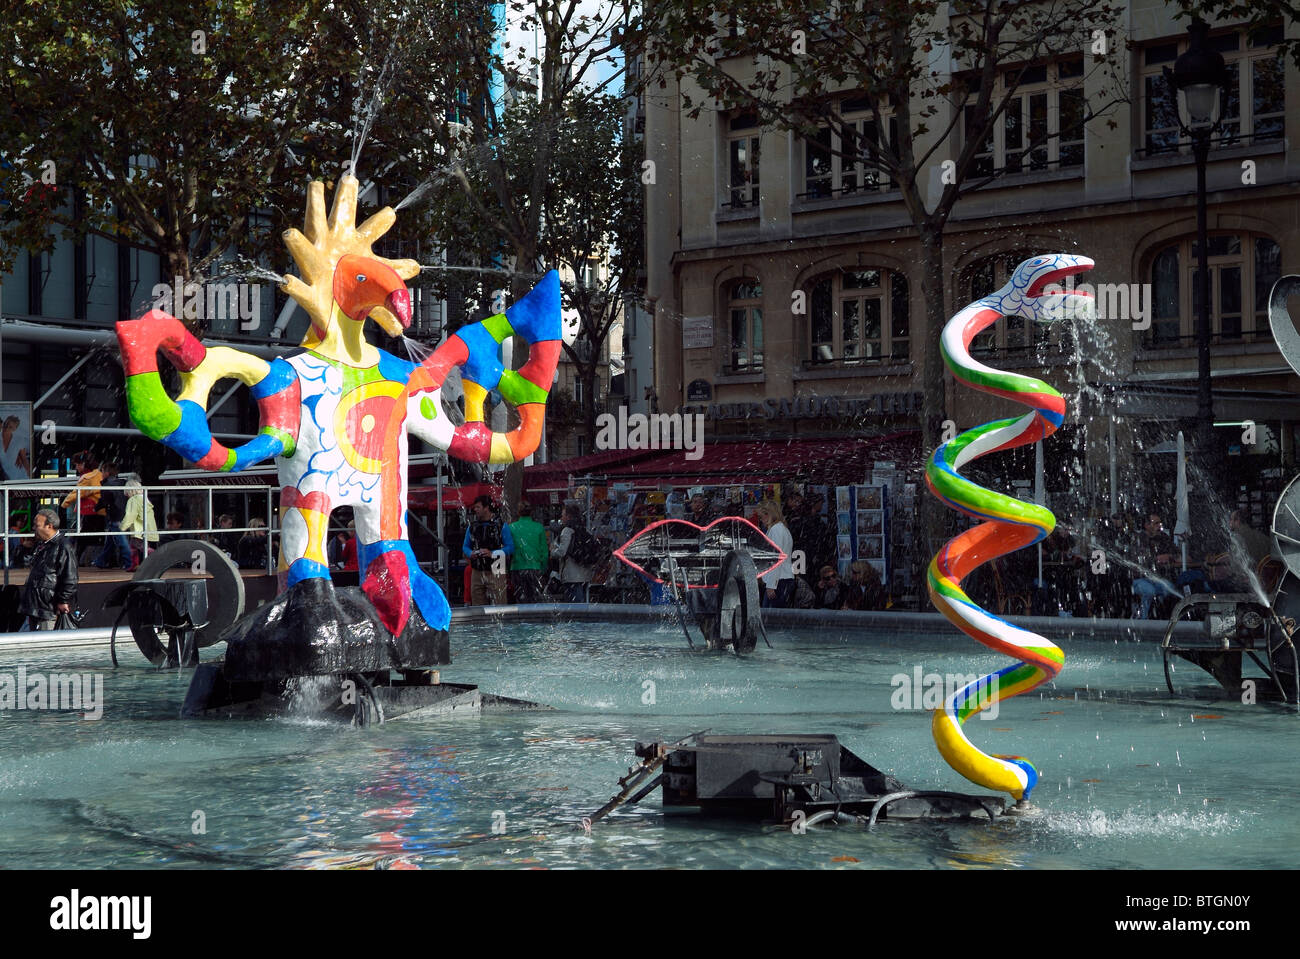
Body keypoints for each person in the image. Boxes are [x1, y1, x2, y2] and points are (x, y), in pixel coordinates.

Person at [20, 508, 77, 630]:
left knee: (46, 637)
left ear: (49, 526)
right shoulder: (43, 545)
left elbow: (70, 577)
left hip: (48, 607)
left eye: (37, 525)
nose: (34, 528)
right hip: (37, 605)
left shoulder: (63, 546)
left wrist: (63, 600)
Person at [462, 495, 513, 605]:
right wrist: (471, 553)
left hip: (497, 567)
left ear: (486, 508)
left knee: (499, 603)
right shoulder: (472, 527)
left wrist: (492, 553)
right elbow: (465, 546)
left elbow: (510, 547)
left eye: (478, 507)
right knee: (477, 601)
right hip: (477, 569)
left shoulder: (501, 526)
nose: (475, 510)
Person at [1131, 513, 1176, 619]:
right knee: (1149, 591)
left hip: (1157, 578)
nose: (1159, 526)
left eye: (1160, 523)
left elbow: (1176, 553)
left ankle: (1162, 617)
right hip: (1139, 579)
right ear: (1147, 525)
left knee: (1170, 588)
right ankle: (1142, 619)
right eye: (1156, 523)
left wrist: (1169, 556)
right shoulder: (1139, 538)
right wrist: (1156, 559)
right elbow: (1138, 560)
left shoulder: (1163, 537)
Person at [754, 499, 795, 608]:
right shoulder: (781, 529)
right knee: (776, 617)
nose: (761, 520)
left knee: (771, 617)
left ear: (768, 514)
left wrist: (771, 584)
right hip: (781, 579)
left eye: (761, 516)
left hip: (779, 581)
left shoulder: (776, 530)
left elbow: (776, 558)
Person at [92, 462, 132, 570]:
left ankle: (130, 563)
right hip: (124, 514)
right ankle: (101, 561)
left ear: (107, 473)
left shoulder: (106, 485)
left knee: (122, 541)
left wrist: (95, 508)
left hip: (115, 516)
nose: (101, 474)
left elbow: (104, 501)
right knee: (110, 541)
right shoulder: (123, 483)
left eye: (102, 472)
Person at [551, 504, 594, 602]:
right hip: (584, 574)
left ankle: (577, 617)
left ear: (568, 516)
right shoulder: (583, 529)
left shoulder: (567, 530)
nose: (561, 518)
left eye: (563, 515)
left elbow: (562, 552)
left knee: (574, 606)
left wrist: (553, 551)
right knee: (581, 602)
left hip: (571, 575)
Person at [508, 504, 550, 603]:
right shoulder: (539, 527)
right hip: (535, 567)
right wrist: (543, 567)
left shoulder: (512, 527)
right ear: (531, 512)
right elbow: (544, 551)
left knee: (520, 599)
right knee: (535, 599)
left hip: (517, 567)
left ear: (518, 513)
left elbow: (508, 549)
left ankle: (521, 617)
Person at [119, 474, 158, 566]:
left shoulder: (133, 500)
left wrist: (122, 527)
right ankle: (133, 565)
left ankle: (158, 557)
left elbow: (130, 516)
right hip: (148, 528)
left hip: (139, 530)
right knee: (134, 546)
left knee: (139, 547)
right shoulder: (145, 499)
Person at [0, 415, 30, 480]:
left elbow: (24, 459)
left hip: (12, 476)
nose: (6, 428)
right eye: (6, 424)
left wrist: (28, 473)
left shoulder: (19, 440)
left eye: (10, 427)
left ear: (15, 429)